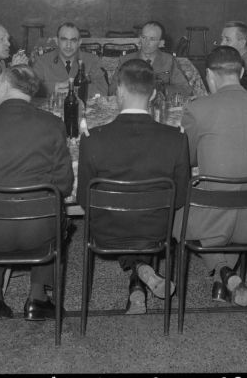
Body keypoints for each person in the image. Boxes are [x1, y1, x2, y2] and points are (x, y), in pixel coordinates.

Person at [0, 65, 74, 322]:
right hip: (39, 230)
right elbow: (63, 185)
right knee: (52, 210)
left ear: (5, 86)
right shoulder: (52, 124)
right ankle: (38, 299)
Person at [77, 59, 190, 315]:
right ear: (153, 94)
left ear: (118, 91)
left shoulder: (93, 140)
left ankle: (139, 275)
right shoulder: (176, 139)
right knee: (143, 217)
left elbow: (84, 200)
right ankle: (142, 272)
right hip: (157, 231)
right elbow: (181, 197)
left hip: (106, 232)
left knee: (127, 217)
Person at [173, 46, 247, 307]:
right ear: (241, 72)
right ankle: (225, 276)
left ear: (209, 74)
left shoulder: (198, 108)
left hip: (207, 222)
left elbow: (186, 158)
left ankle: (223, 271)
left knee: (171, 213)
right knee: (230, 196)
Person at [108, 21, 193, 97]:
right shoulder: (126, 60)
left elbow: (185, 90)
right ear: (140, 38)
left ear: (161, 43)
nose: (146, 43)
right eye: (144, 38)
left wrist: (161, 90)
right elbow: (112, 90)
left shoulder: (169, 61)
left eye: (152, 39)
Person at [32, 22, 108, 98]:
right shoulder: (42, 61)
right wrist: (54, 87)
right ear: (57, 41)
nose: (68, 45)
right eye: (64, 39)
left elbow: (103, 90)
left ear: (79, 42)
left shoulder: (92, 60)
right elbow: (31, 88)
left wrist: (73, 90)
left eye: (73, 40)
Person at [218, 21, 247, 93]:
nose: (222, 44)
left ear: (241, 43)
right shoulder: (237, 61)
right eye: (222, 39)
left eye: (227, 40)